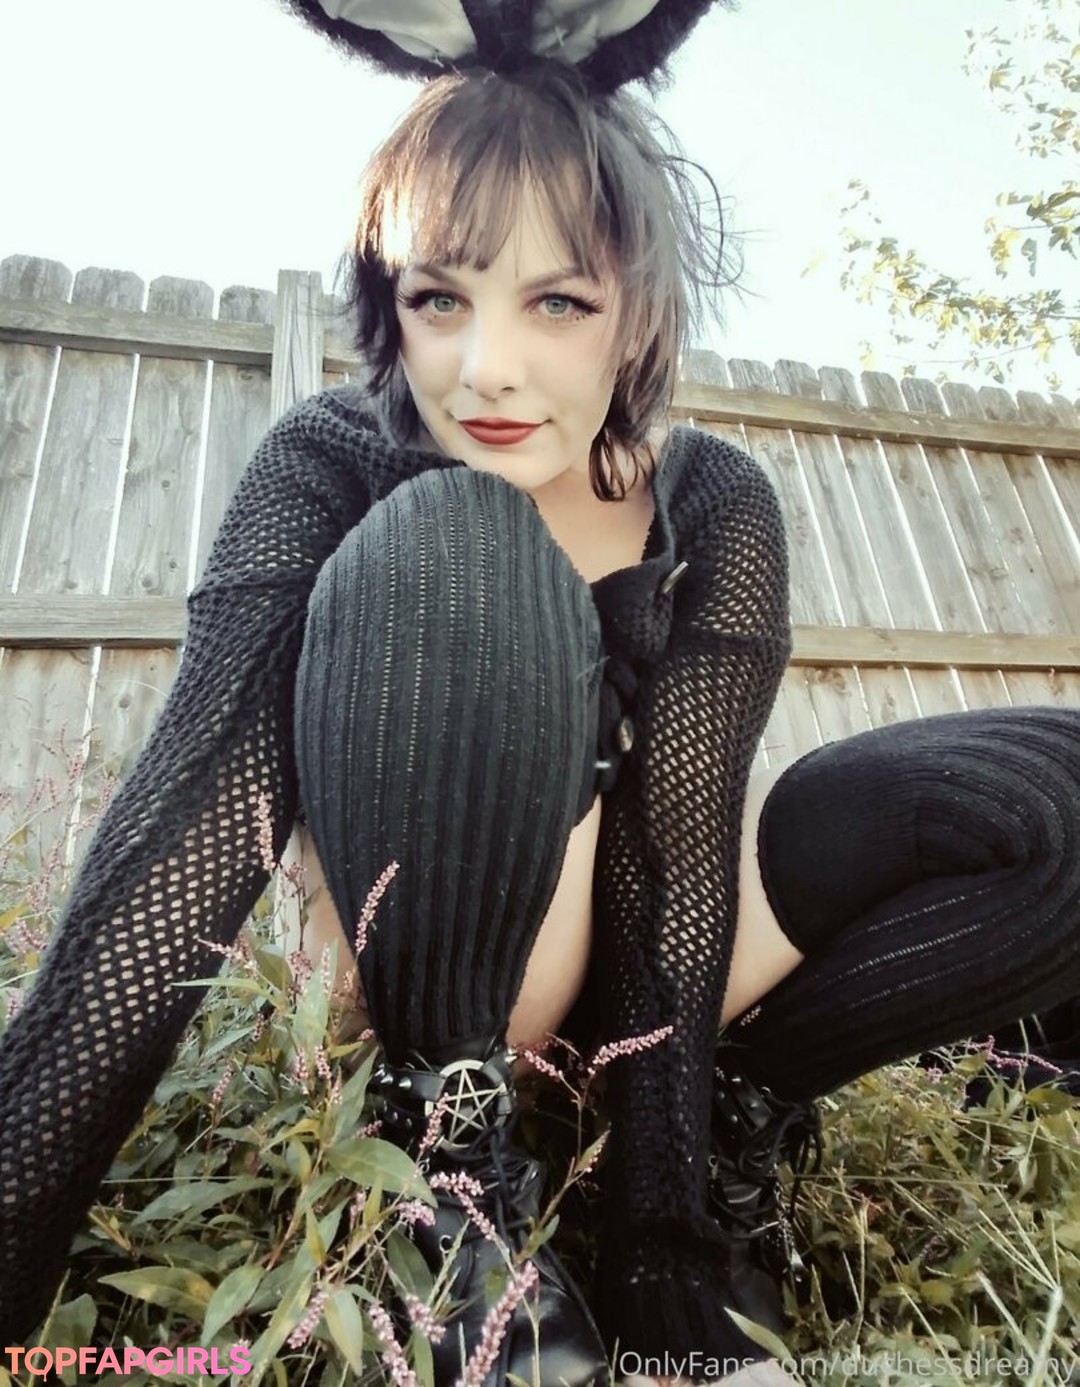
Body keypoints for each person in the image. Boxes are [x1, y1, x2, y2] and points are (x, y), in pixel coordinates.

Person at [2, 4, 1079, 1384]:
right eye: (437, 298)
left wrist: (664, 1265)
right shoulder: (328, 462)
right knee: (466, 540)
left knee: (1048, 802)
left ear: (637, 311)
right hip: (439, 973)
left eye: (557, 302)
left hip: (650, 957)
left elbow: (678, 855)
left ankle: (715, 1117)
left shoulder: (713, 501)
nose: (485, 368)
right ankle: (445, 1167)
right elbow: (183, 841)